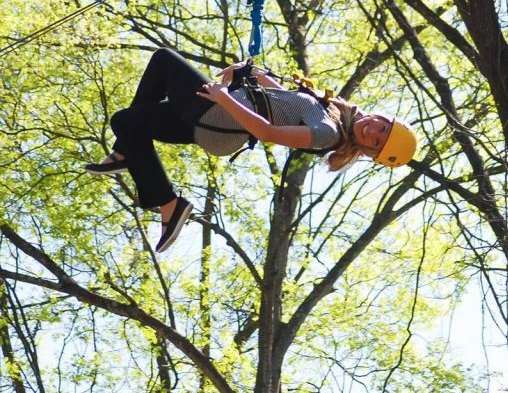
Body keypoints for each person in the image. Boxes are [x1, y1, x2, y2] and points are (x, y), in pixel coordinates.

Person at [84, 48, 417, 252]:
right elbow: (281, 100)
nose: (372, 131)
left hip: (219, 117)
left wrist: (224, 96)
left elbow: (268, 131)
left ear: (368, 152)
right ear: (381, 116)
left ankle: (151, 180)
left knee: (163, 61)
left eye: (376, 141)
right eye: (381, 127)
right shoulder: (331, 112)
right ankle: (161, 196)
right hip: (216, 118)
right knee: (127, 122)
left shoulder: (327, 134)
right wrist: (253, 72)